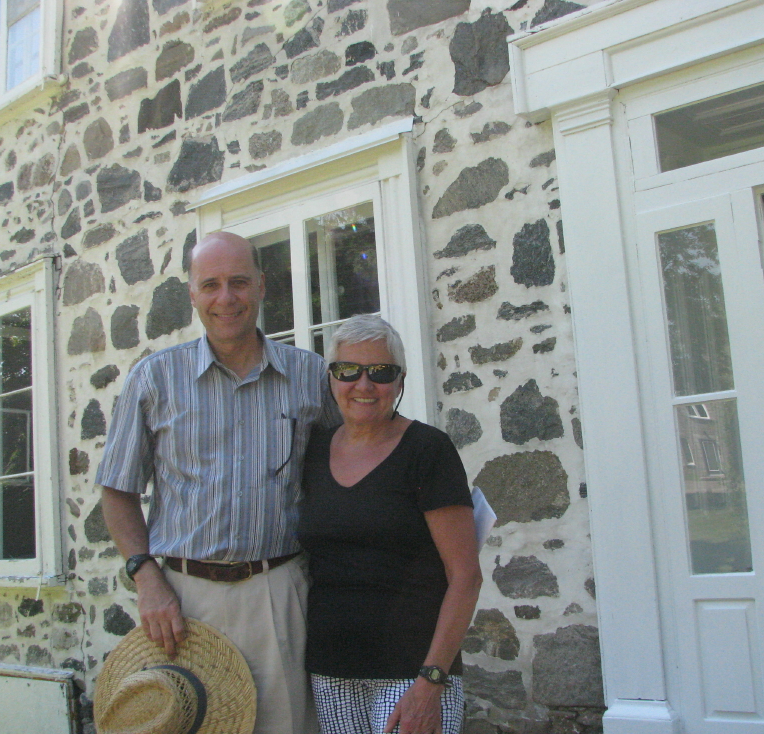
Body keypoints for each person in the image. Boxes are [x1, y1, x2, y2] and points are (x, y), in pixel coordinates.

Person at [96, 231, 339, 734]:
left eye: (238, 282)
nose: (225, 298)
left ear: (262, 286)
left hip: (280, 593)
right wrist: (146, 579)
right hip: (182, 602)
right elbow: (117, 490)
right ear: (192, 294)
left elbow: (345, 472)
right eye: (210, 285)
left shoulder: (311, 376)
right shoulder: (153, 379)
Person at [297, 314, 483, 734]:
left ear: (399, 381)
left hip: (414, 673)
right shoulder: (313, 451)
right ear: (331, 379)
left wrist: (431, 681)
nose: (364, 385)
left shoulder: (428, 451)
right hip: (333, 670)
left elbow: (466, 577)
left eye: (380, 372)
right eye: (348, 371)